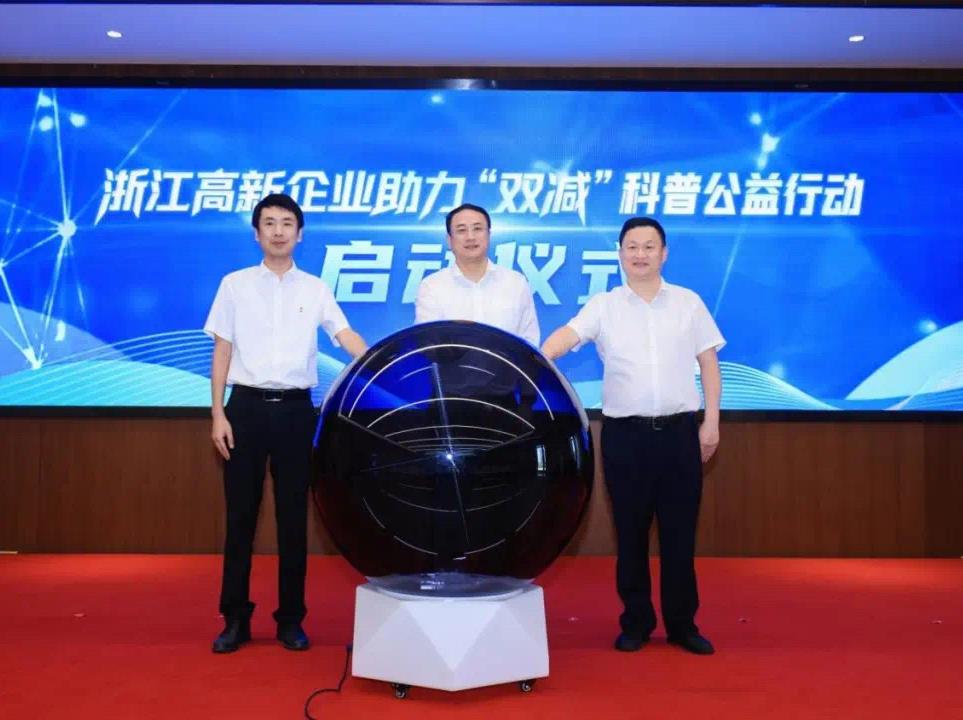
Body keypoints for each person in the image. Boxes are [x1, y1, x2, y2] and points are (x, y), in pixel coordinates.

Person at [541, 217, 724, 655]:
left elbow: (709, 363)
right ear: (620, 254)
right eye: (632, 247)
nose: (640, 254)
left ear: (664, 253)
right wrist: (541, 355)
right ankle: (636, 623)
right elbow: (566, 337)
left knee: (680, 535)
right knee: (631, 533)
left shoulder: (688, 303)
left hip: (680, 434)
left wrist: (712, 422)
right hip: (626, 437)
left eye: (649, 246)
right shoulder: (604, 305)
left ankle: (682, 625)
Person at [204, 193, 367, 654]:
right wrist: (217, 413)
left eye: (287, 223)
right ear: (257, 233)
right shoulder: (234, 285)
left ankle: (291, 620)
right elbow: (222, 350)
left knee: (293, 519)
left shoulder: (315, 288)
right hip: (245, 410)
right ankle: (235, 619)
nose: (278, 231)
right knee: (240, 518)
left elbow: (343, 334)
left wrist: (377, 360)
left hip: (297, 412)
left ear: (300, 233)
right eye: (269, 223)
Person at [414, 203, 540, 346]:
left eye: (477, 229)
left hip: (506, 362)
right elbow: (428, 343)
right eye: (461, 230)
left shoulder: (516, 283)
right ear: (449, 240)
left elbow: (529, 341)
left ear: (489, 235)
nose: (470, 237)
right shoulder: (432, 286)